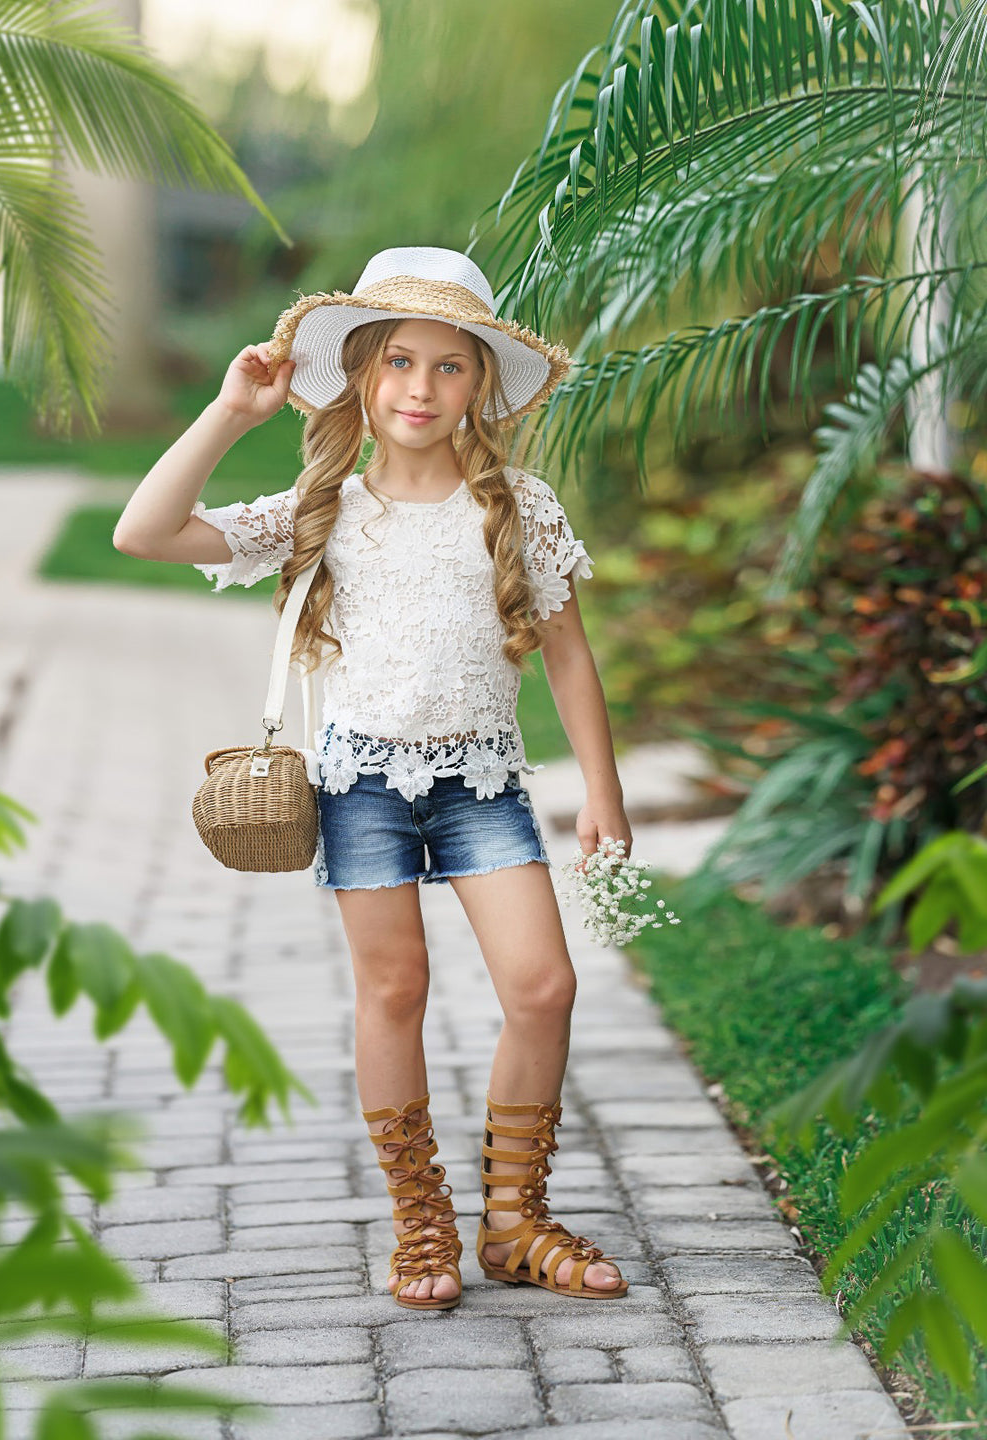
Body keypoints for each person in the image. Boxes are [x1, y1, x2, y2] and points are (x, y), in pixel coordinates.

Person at [113, 246, 635, 1313]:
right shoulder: (326, 510)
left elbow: (572, 656)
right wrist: (231, 414)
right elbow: (144, 531)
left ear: (480, 386)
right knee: (393, 990)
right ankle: (420, 1224)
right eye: (399, 360)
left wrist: (604, 793)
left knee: (544, 986)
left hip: (482, 783)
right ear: (360, 375)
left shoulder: (518, 509)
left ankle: (515, 1221)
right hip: (362, 790)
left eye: (450, 366)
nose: (420, 387)